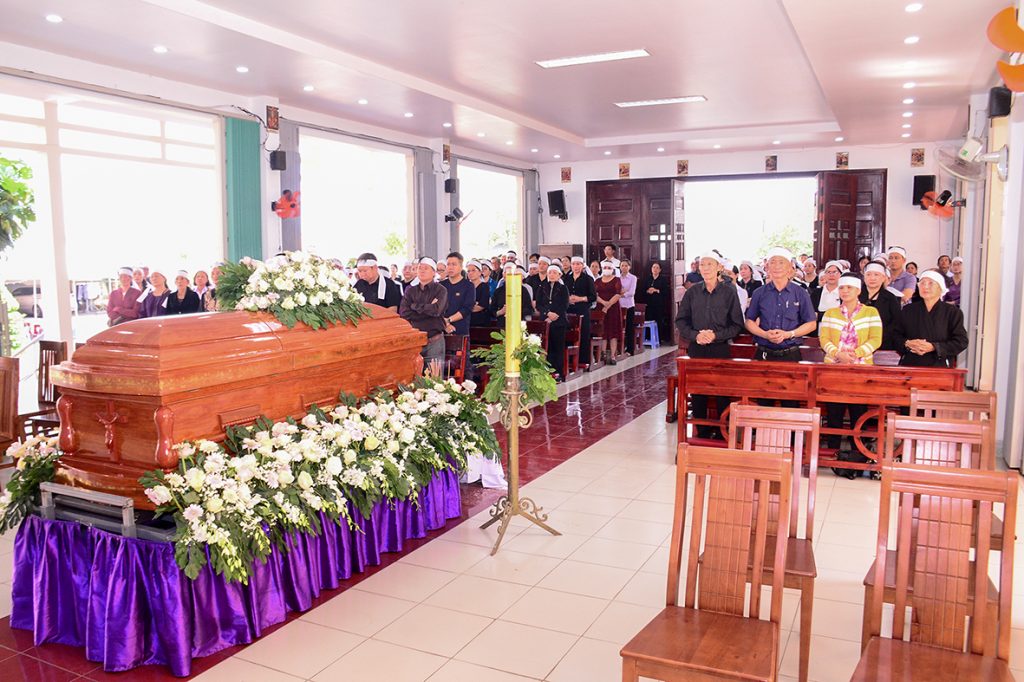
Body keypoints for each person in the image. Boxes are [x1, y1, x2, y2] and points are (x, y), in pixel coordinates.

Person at [675, 253, 744, 439]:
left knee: (722, 393)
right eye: (702, 265)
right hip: (697, 348)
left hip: (720, 348)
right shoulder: (692, 292)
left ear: (719, 267)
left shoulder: (729, 292)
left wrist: (715, 335)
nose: (705, 268)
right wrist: (695, 335)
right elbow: (681, 320)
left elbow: (737, 324)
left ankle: (723, 433)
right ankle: (701, 433)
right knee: (698, 393)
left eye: (709, 264)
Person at [819, 273, 882, 450]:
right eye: (842, 287)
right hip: (834, 368)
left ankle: (858, 451)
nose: (845, 291)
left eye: (849, 287)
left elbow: (876, 339)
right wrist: (837, 354)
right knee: (834, 411)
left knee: (858, 412)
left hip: (860, 370)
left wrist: (855, 354)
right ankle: (833, 451)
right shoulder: (830, 313)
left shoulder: (871, 312)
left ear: (858, 290)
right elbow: (824, 339)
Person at [745, 246, 817, 363]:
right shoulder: (759, 293)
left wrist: (788, 334)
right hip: (763, 353)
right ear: (767, 267)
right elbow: (749, 322)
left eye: (781, 262)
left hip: (791, 354)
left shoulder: (800, 293)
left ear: (789, 267)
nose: (777, 266)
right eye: (773, 262)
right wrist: (765, 335)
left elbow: (811, 323)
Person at [892, 270, 968, 368]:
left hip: (939, 366)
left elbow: (961, 341)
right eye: (922, 283)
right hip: (911, 365)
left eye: (930, 283)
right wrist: (907, 343)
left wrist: (934, 347)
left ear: (940, 288)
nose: (925, 287)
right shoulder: (908, 310)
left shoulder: (952, 312)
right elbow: (895, 336)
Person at [399, 258, 448, 372]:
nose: (422, 270)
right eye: (420, 268)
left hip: (434, 341)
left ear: (434, 272)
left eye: (426, 268)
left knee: (435, 379)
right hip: (415, 342)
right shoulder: (410, 291)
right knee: (414, 377)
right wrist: (428, 307)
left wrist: (414, 306)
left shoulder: (441, 290)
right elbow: (404, 313)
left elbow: (436, 311)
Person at [536, 262, 570, 380]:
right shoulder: (542, 287)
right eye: (549, 272)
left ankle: (558, 373)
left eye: (554, 272)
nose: (551, 274)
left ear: (559, 275)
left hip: (559, 321)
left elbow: (564, 304)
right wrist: (547, 313)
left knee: (558, 348)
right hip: (545, 320)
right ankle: (545, 372)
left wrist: (554, 315)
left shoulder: (563, 288)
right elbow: (539, 304)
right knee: (546, 347)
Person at [859, 260, 901, 351]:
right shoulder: (855, 295)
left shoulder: (891, 298)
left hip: (883, 344)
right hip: (858, 342)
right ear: (864, 277)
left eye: (876, 275)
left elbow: (896, 323)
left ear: (883, 278)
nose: (872, 278)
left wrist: (877, 337)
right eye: (868, 274)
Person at [565, 256, 597, 367]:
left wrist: (580, 298)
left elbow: (593, 297)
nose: (576, 266)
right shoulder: (566, 278)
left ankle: (583, 360)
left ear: (582, 266)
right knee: (568, 333)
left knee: (583, 334)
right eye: (574, 264)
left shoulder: (588, 279)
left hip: (582, 310)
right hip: (569, 310)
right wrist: (568, 298)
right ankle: (569, 360)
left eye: (578, 264)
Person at [594, 260, 624, 364]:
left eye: (609, 268)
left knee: (613, 331)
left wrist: (608, 305)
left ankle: (612, 356)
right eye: (605, 267)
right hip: (600, 308)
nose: (607, 269)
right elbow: (594, 294)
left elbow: (618, 294)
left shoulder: (616, 280)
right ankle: (603, 354)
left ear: (612, 269)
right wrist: (603, 303)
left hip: (613, 309)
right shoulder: (597, 281)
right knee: (602, 330)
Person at [440, 252, 476, 337]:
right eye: (448, 264)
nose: (450, 267)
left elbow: (467, 308)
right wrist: (445, 324)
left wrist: (449, 320)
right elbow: (435, 307)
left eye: (454, 264)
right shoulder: (441, 285)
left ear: (461, 267)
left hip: (460, 330)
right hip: (440, 330)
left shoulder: (469, 286)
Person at [490, 262, 532, 328]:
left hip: (518, 324)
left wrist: (515, 310)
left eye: (511, 272)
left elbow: (529, 309)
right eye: (506, 272)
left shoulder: (523, 290)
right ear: (503, 275)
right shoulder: (498, 291)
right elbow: (492, 310)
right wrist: (501, 312)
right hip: (502, 325)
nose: (508, 275)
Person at [642, 262, 671, 344]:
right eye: (653, 267)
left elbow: (666, 291)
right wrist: (648, 291)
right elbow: (642, 290)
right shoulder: (647, 279)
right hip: (649, 303)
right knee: (648, 319)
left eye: (657, 268)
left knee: (658, 320)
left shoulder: (663, 280)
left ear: (660, 270)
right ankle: (648, 338)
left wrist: (656, 290)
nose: (655, 269)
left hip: (659, 304)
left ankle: (659, 338)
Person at [810, 260, 843, 333]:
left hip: (840, 332)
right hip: (818, 333)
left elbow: (842, 315)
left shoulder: (845, 293)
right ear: (824, 274)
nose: (831, 275)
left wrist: (820, 316)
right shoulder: (816, 293)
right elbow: (811, 315)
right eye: (828, 272)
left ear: (840, 274)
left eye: (835, 272)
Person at [619, 259, 638, 354]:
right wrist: (622, 292)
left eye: (626, 266)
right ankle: (620, 348)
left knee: (629, 327)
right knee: (619, 327)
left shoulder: (633, 278)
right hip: (619, 305)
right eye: (622, 265)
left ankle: (630, 349)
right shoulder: (617, 278)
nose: (624, 267)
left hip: (629, 305)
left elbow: (631, 292)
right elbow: (616, 291)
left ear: (629, 267)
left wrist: (622, 294)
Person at [466, 260, 492, 326]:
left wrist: (466, 309)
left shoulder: (484, 286)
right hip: (467, 320)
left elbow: (482, 306)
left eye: (473, 270)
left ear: (480, 272)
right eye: (468, 271)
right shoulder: (465, 287)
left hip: (481, 321)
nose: (470, 273)